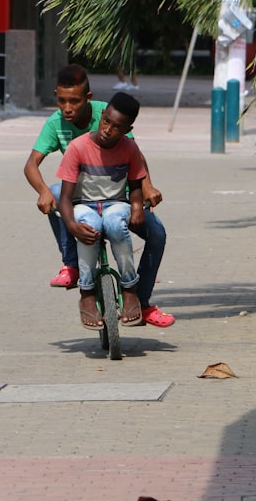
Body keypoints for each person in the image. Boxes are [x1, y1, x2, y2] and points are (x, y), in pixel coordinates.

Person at [23, 64, 175, 328]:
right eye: (61, 101)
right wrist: (43, 191)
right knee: (56, 194)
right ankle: (71, 266)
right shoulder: (55, 124)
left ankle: (142, 300)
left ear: (90, 99)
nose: (67, 108)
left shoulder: (112, 113)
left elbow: (134, 155)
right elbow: (30, 164)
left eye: (74, 101)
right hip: (80, 195)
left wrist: (147, 187)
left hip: (120, 195)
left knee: (158, 234)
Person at [57, 91, 145, 329]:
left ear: (127, 129)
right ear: (102, 115)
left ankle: (129, 288)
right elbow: (65, 198)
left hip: (115, 203)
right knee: (90, 227)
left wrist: (137, 208)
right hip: (84, 205)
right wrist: (72, 225)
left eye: (117, 127)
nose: (108, 130)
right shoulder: (78, 147)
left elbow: (136, 187)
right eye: (106, 121)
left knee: (115, 224)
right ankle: (86, 294)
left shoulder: (130, 149)